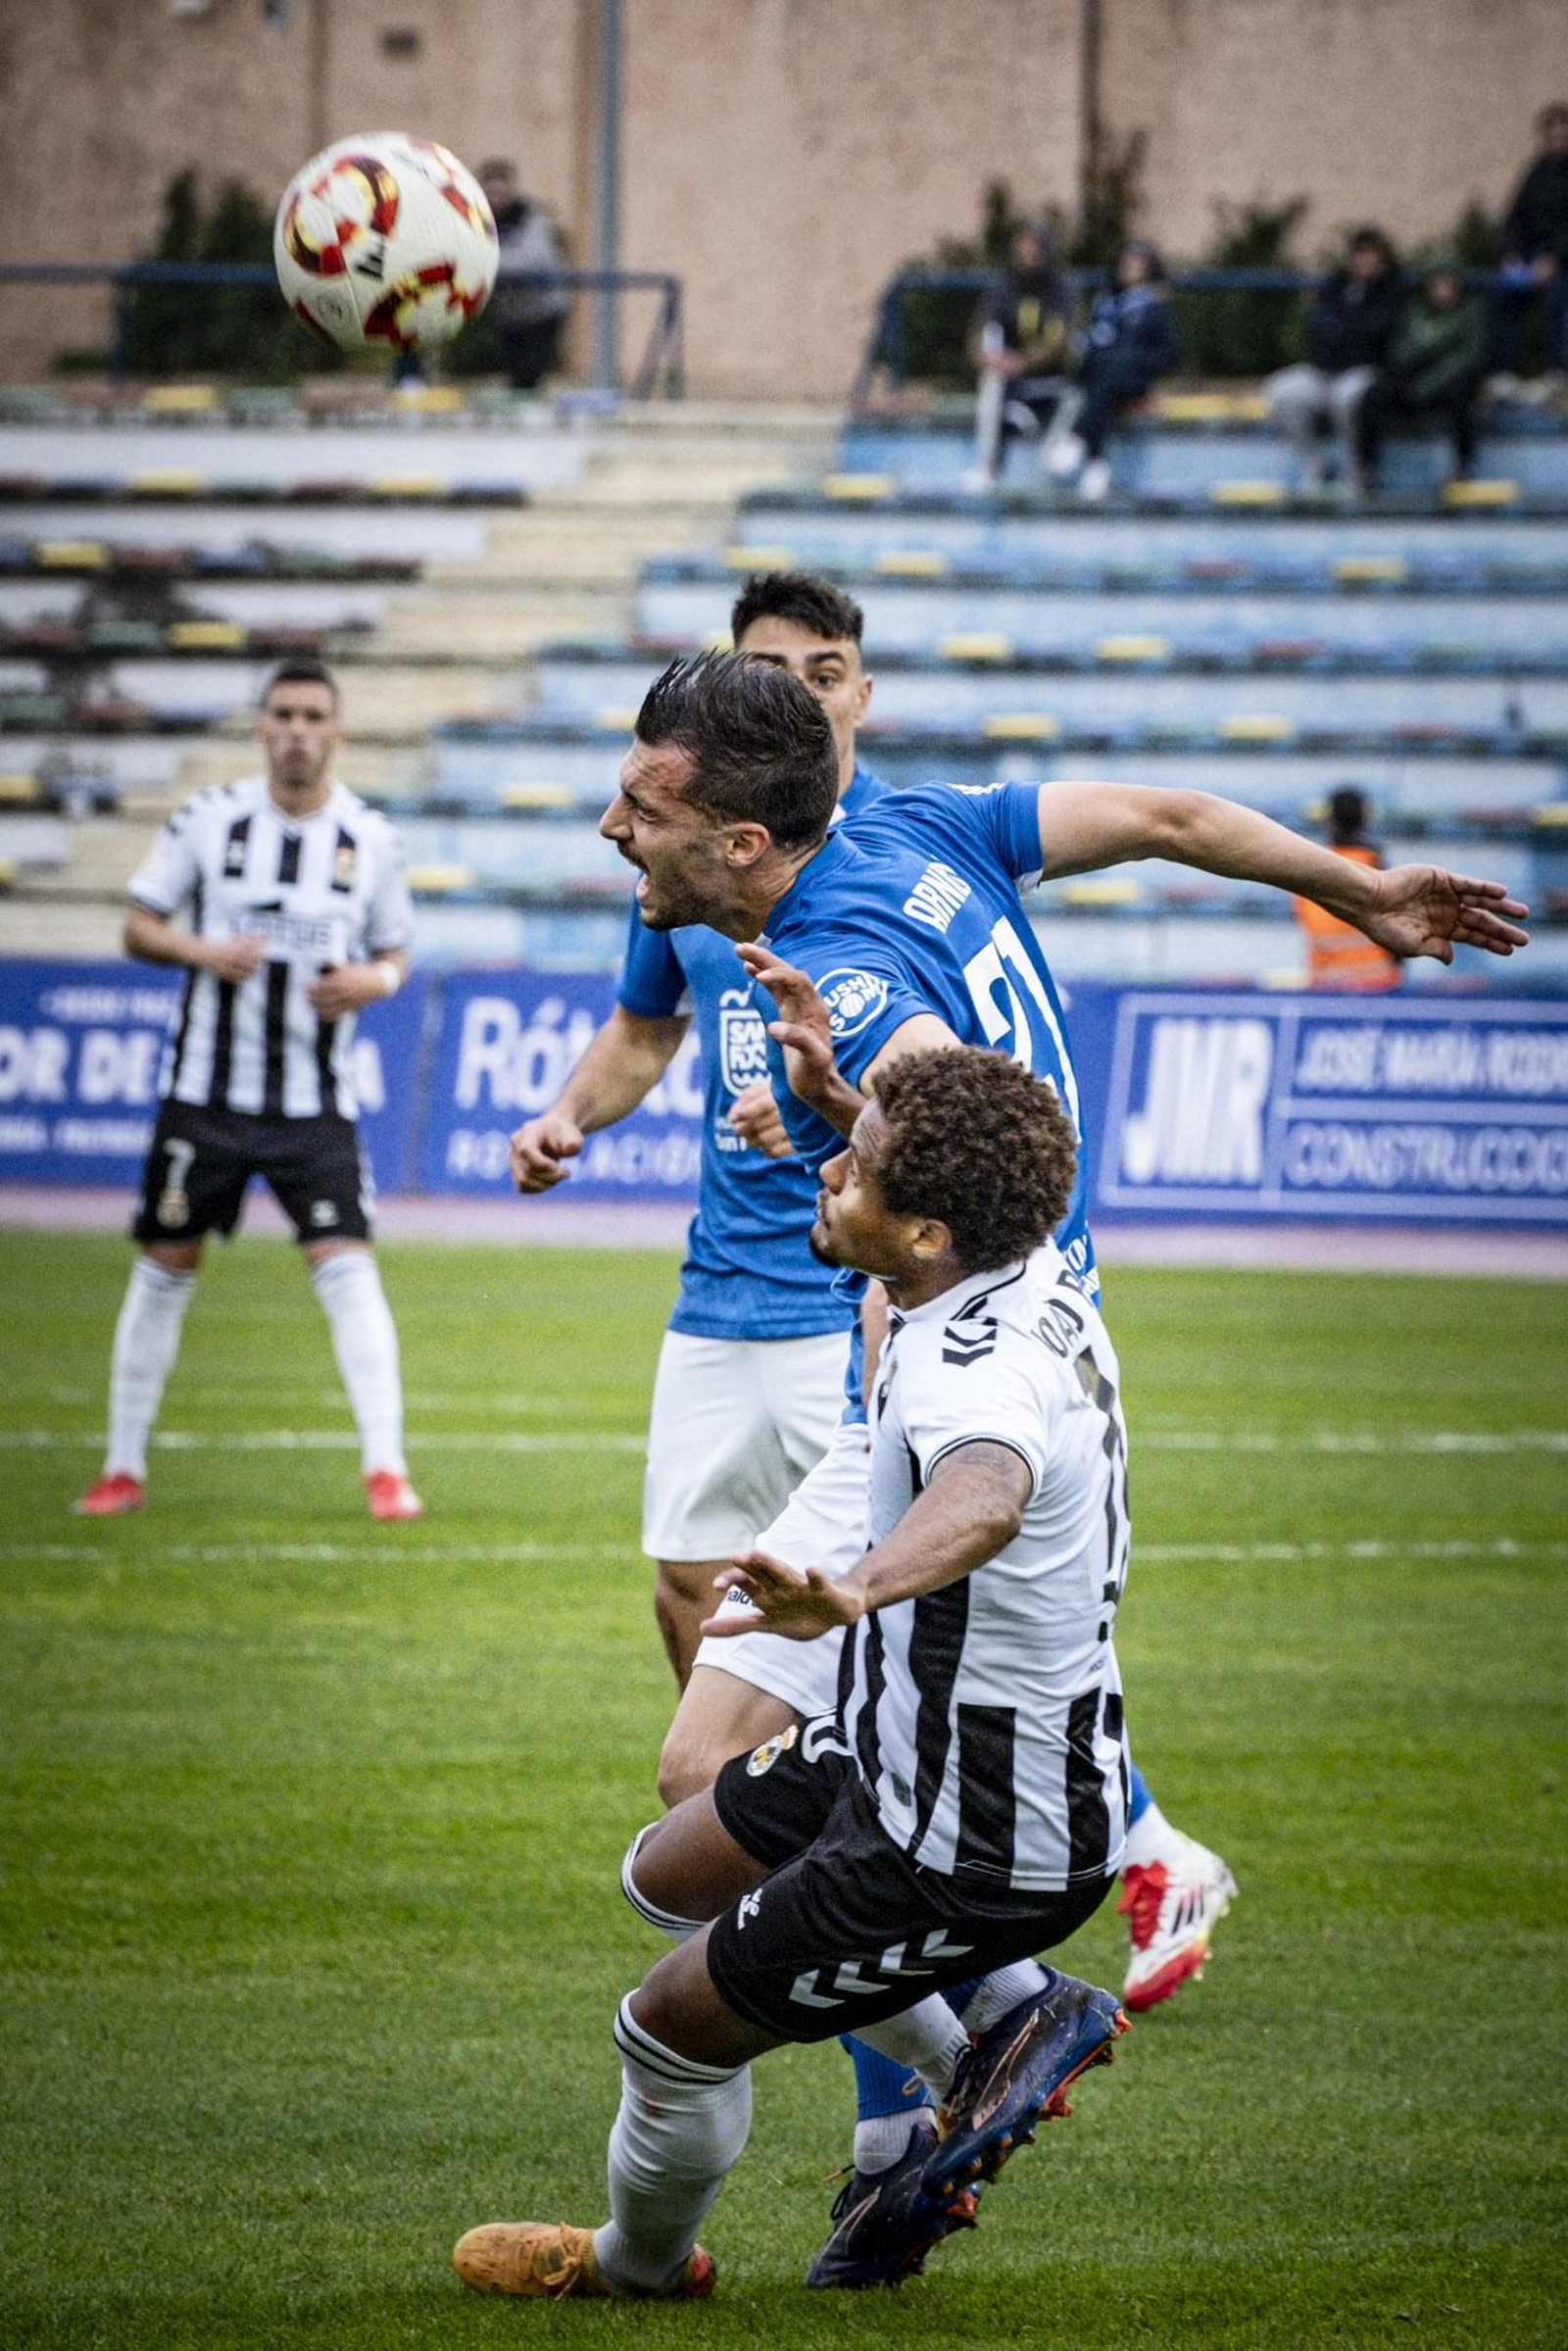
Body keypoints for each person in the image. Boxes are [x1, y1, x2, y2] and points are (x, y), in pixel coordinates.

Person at [453, 1049, 1133, 2300]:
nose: (825, 1170)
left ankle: (638, 2266)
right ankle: (1003, 2022)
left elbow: (986, 1489)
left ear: (924, 1231)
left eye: (853, 1166)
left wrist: (856, 1588)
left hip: (974, 1834)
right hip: (905, 1748)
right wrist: (834, 1092)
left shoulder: (975, 1369)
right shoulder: (1011, 1252)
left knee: (663, 2024)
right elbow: (928, 1186)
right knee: (666, 1871)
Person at [509, 573, 885, 1690]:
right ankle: (738, 1798)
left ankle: (880, 1784)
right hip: (719, 1282)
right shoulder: (687, 856)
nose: (802, 696)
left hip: (848, 1291)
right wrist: (565, 1113)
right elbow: (644, 1024)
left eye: (824, 674)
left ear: (862, 694)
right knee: (688, 1576)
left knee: (879, 1589)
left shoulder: (897, 849)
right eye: (773, 673)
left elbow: (956, 1062)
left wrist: (829, 1105)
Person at [73, 660, 422, 1524]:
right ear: (263, 728)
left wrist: (370, 982)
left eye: (313, 716)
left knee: (347, 1267)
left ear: (337, 733)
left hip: (316, 1103)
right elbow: (138, 925)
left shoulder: (369, 837)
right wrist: (203, 952)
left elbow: (397, 955)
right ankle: (122, 1466)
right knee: (164, 1267)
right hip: (206, 1095)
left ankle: (387, 1472)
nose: (298, 731)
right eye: (285, 715)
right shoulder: (209, 819)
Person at [1265, 227, 1405, 489]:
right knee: (1282, 390)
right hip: (1324, 371)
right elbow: (1316, 331)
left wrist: (1344, 331)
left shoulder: (1391, 293)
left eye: (1372, 256)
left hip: (1365, 371)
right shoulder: (1334, 287)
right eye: (1359, 254)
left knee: (1347, 398)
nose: (1364, 261)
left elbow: (1375, 336)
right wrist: (1342, 333)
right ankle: (1315, 464)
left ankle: (1357, 467)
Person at [1044, 238, 1179, 501]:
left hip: (1134, 379)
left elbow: (1169, 355)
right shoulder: (1105, 304)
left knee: (1111, 370)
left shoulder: (1155, 307)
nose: (1129, 269)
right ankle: (1097, 464)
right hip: (1101, 381)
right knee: (1103, 378)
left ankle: (1079, 441)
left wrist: (1132, 360)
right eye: (1125, 263)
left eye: (1137, 264)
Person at [1354, 260, 1491, 492]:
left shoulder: (1471, 311)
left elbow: (1468, 357)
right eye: (1437, 283)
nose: (1442, 290)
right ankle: (1366, 468)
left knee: (1463, 396)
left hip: (1446, 382)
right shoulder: (1415, 311)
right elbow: (1398, 352)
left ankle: (1462, 467)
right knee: (1373, 396)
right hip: (1414, 381)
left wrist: (1428, 383)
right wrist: (1414, 352)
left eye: (1448, 283)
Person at [966, 219, 1075, 488]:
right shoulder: (1002, 290)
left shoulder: (1061, 290)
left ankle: (1054, 459)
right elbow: (981, 329)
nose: (1027, 252)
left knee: (1077, 395)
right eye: (1021, 246)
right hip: (1010, 378)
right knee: (991, 383)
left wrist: (1023, 361)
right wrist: (987, 356)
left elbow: (1057, 339)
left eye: (1033, 246)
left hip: (1052, 377)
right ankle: (988, 467)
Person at [475, 159, 571, 390]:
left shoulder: (529, 217)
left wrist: (487, 262)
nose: (495, 199)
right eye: (490, 193)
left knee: (529, 375)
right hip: (509, 314)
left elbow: (533, 259)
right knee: (515, 378)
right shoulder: (480, 219)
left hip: (541, 310)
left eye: (500, 193)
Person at [1292, 787, 1400, 991]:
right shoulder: (1377, 867)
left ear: (1330, 821)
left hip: (1324, 987)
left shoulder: (1309, 869)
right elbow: (1400, 933)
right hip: (1378, 986)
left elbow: (1304, 918)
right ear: (1363, 822)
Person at [1494, 102, 1568, 376]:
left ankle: (1556, 373)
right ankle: (1505, 371)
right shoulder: (1537, 170)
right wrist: (1510, 253)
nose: (1558, 138)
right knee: (1503, 294)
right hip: (1532, 258)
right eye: (1552, 133)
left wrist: (1554, 260)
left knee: (1555, 301)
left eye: (1563, 132)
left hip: (1561, 262)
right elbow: (1516, 216)